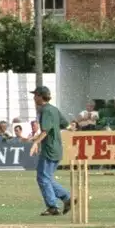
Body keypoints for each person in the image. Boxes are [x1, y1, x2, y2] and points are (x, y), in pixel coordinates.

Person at [26, 87, 72, 217]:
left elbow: (45, 130)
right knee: (46, 178)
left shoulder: (45, 110)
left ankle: (53, 206)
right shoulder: (54, 109)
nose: (34, 98)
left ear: (41, 96)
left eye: (35, 95)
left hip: (49, 149)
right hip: (56, 148)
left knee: (43, 178)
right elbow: (66, 125)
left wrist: (36, 142)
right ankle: (66, 198)